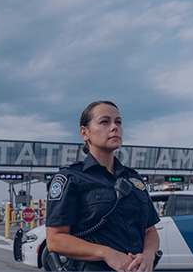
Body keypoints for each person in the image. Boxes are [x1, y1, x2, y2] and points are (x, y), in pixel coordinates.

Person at [46, 101, 160, 272]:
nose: (114, 127)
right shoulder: (70, 178)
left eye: (118, 122)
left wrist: (149, 255)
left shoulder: (134, 179)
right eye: (105, 122)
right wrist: (106, 253)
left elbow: (150, 231)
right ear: (85, 133)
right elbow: (55, 239)